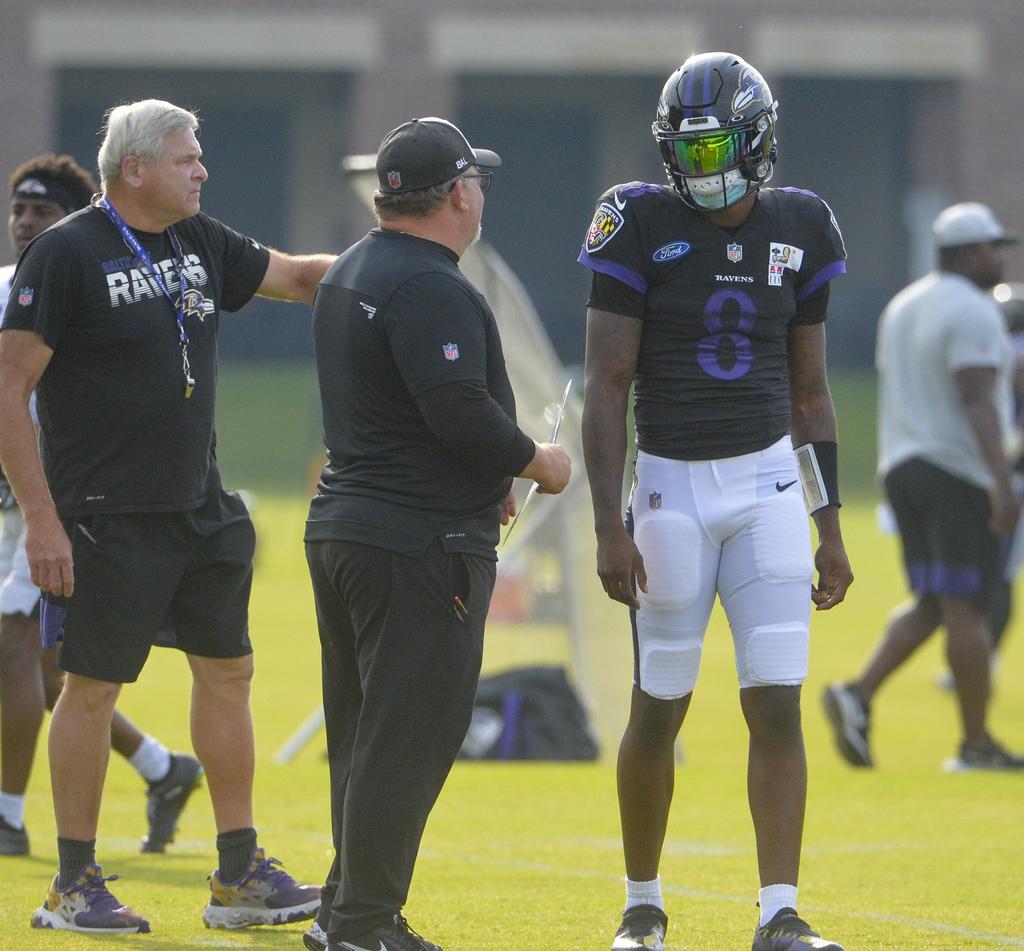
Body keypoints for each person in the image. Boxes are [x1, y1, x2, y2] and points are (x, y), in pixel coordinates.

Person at [0, 99, 335, 934]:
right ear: (136, 168)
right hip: (104, 513)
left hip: (201, 501)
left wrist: (395, 260)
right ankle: (72, 884)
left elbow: (300, 277)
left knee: (229, 671)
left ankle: (238, 872)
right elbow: (7, 387)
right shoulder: (64, 251)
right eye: (187, 158)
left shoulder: (198, 239)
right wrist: (41, 520)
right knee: (91, 687)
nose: (202, 170)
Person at [579, 53, 853, 951]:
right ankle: (642, 904)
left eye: (717, 149)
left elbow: (811, 394)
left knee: (776, 701)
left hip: (769, 483)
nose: (703, 169)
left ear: (758, 140)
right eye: (688, 151)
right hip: (670, 485)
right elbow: (606, 382)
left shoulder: (802, 223)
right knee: (660, 703)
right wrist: (608, 524)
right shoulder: (635, 218)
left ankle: (780, 913)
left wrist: (829, 526)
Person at [301, 117, 571, 951]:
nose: (481, 192)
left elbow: (402, 410)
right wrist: (537, 461)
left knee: (365, 732)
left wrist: (488, 482)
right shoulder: (431, 286)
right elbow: (457, 411)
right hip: (415, 541)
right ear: (456, 193)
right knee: (409, 735)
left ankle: (347, 908)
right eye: (476, 180)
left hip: (349, 526)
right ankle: (362, 921)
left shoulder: (351, 267)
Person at [0, 153, 203, 859]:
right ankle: (162, 767)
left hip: (54, 500)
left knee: (14, 644)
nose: (27, 222)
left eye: (44, 211)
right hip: (11, 500)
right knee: (50, 671)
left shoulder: (86, 280)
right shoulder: (7, 284)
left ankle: (7, 817)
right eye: (19, 209)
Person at [824, 202, 1024, 773]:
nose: (1000, 258)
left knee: (935, 601)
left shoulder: (904, 304)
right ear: (969, 252)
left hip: (902, 465)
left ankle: (857, 694)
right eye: (993, 248)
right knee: (969, 607)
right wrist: (1002, 481)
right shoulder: (974, 310)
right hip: (957, 470)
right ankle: (976, 745)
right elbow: (976, 396)